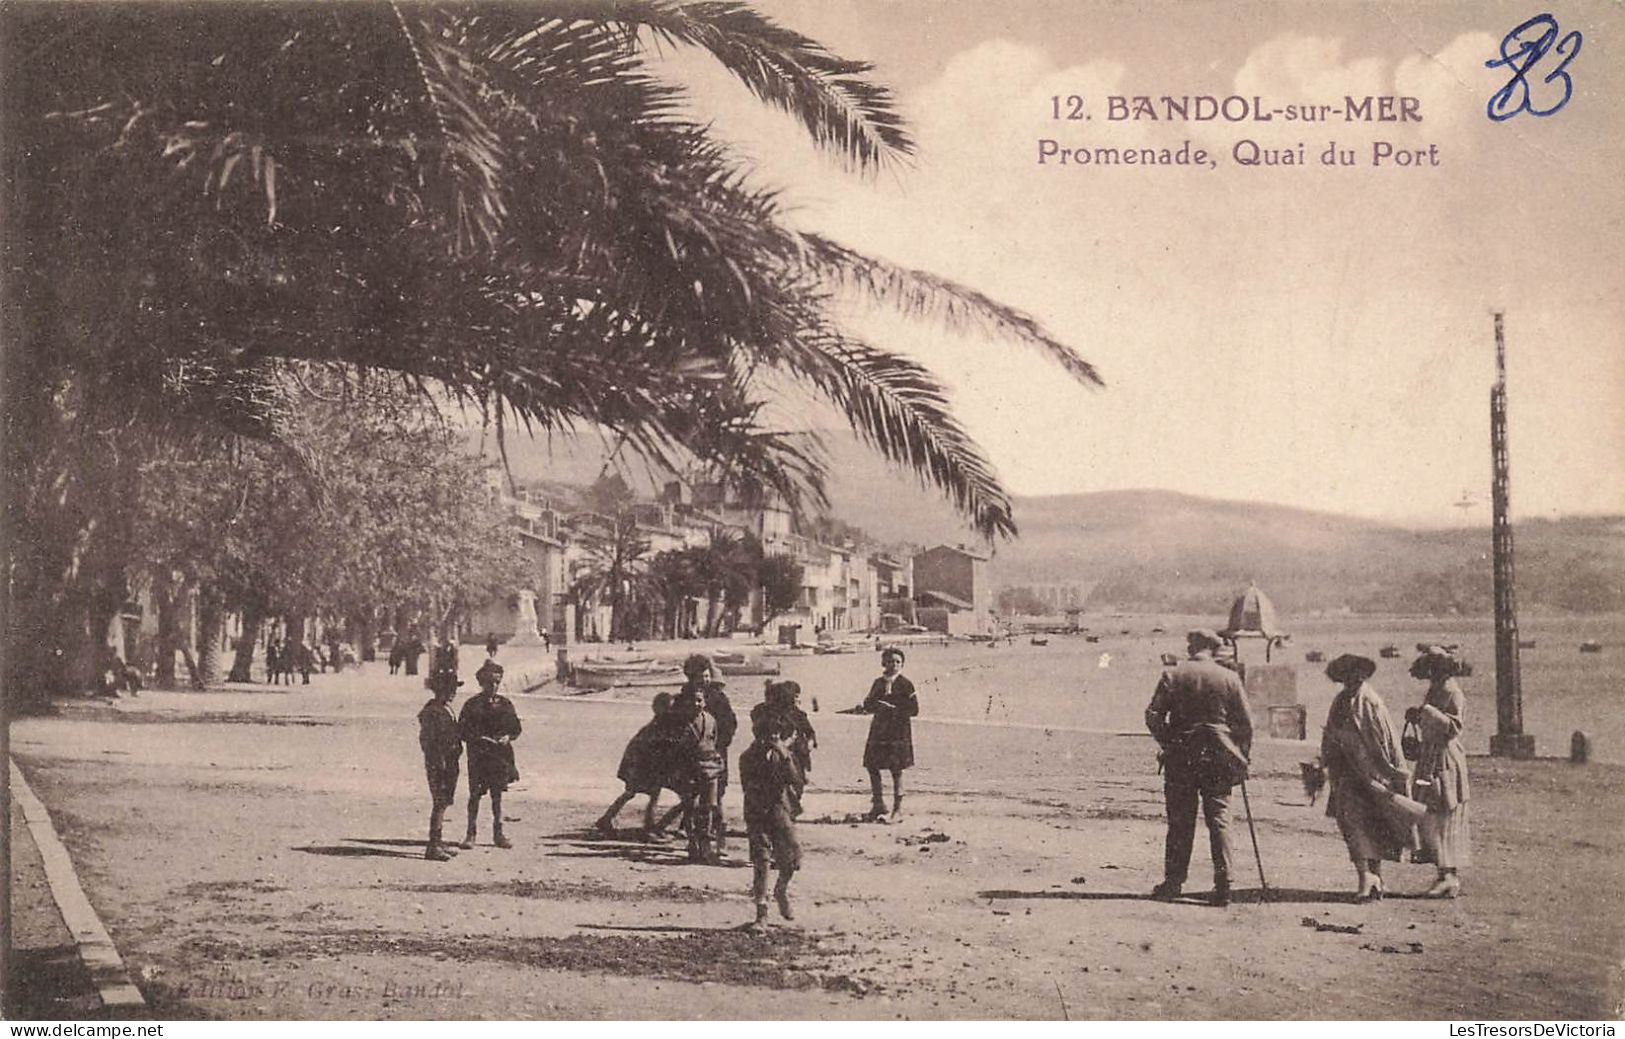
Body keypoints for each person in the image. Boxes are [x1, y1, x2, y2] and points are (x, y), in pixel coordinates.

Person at [1144, 629, 1253, 907]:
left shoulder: (1173, 675)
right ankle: (1224, 885)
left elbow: (1153, 715)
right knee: (1219, 819)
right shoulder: (1229, 678)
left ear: (1193, 646)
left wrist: (1168, 741)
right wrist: (1240, 756)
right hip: (1218, 757)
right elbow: (1246, 725)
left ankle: (1173, 882)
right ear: (1213, 649)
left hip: (1182, 756)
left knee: (1180, 821)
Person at [1319, 654, 1414, 902]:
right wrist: (1325, 760)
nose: (1351, 680)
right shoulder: (1341, 700)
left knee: (1374, 825)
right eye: (1346, 677)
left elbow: (1385, 741)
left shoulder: (1370, 701)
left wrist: (1391, 772)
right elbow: (1330, 733)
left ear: (1362, 676)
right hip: (1348, 772)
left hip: (1372, 773)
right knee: (1351, 824)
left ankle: (1374, 877)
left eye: (1355, 676)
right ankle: (1366, 876)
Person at [1408, 646, 1472, 898]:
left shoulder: (1452, 692)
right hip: (1432, 756)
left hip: (1444, 759)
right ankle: (1444, 873)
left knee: (1443, 813)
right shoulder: (1438, 689)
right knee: (1432, 815)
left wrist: (1427, 713)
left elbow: (1454, 727)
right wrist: (1419, 716)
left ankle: (1448, 875)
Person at [738, 711, 805, 928]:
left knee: (794, 857)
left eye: (775, 735)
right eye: (767, 736)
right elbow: (749, 787)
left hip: (781, 810)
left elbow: (797, 782)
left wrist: (785, 756)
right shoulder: (748, 757)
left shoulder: (784, 755)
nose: (771, 740)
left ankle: (781, 890)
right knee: (762, 861)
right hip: (758, 812)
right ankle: (761, 913)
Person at [593, 692, 680, 838]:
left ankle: (607, 819)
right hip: (642, 765)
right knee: (649, 793)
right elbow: (652, 748)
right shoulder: (658, 726)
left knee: (635, 793)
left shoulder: (658, 724)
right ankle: (648, 827)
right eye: (668, 708)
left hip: (641, 764)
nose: (671, 711)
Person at [459, 659, 523, 849]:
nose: (493, 686)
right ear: (481, 682)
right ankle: (470, 834)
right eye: (489, 682)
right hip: (479, 756)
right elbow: (462, 730)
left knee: (497, 796)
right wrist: (479, 738)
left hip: (499, 756)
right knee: (475, 795)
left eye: (497, 682)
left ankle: (499, 833)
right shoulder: (472, 705)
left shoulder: (505, 704)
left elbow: (516, 729)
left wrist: (507, 737)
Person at [680, 654, 737, 850]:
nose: (705, 680)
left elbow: (730, 724)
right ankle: (695, 839)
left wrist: (718, 745)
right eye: (700, 677)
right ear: (690, 677)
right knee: (690, 798)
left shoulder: (719, 698)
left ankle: (718, 839)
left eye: (706, 676)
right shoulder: (683, 699)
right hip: (689, 758)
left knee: (717, 797)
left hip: (715, 754)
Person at [853, 646, 917, 823]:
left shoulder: (906, 684)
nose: (894, 665)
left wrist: (892, 708)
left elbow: (914, 709)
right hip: (879, 731)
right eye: (890, 661)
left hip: (898, 731)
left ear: (902, 664)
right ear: (883, 663)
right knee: (872, 766)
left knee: (896, 770)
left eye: (897, 662)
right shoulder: (878, 683)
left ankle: (898, 809)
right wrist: (868, 706)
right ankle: (878, 804)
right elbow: (869, 703)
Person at [672, 662, 727, 864]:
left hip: (710, 768)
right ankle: (693, 844)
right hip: (690, 769)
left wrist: (718, 761)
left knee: (709, 807)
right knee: (691, 807)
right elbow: (676, 746)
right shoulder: (682, 720)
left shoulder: (711, 719)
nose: (697, 704)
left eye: (700, 701)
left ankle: (707, 844)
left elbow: (716, 740)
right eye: (694, 701)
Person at [418, 666, 464, 861]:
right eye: (449, 689)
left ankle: (438, 840)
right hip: (440, 763)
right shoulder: (433, 712)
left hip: (450, 761)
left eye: (454, 688)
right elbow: (429, 741)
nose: (453, 692)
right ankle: (433, 845)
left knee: (444, 802)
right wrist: (440, 761)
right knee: (440, 802)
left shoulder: (445, 708)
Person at [751, 680, 816, 816]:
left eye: (798, 696)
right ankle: (785, 812)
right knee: (782, 784)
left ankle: (790, 809)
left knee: (798, 783)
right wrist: (787, 742)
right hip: (779, 754)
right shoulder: (769, 714)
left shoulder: (799, 714)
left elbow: (810, 732)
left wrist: (809, 744)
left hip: (798, 754)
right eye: (794, 696)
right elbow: (764, 734)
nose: (796, 699)